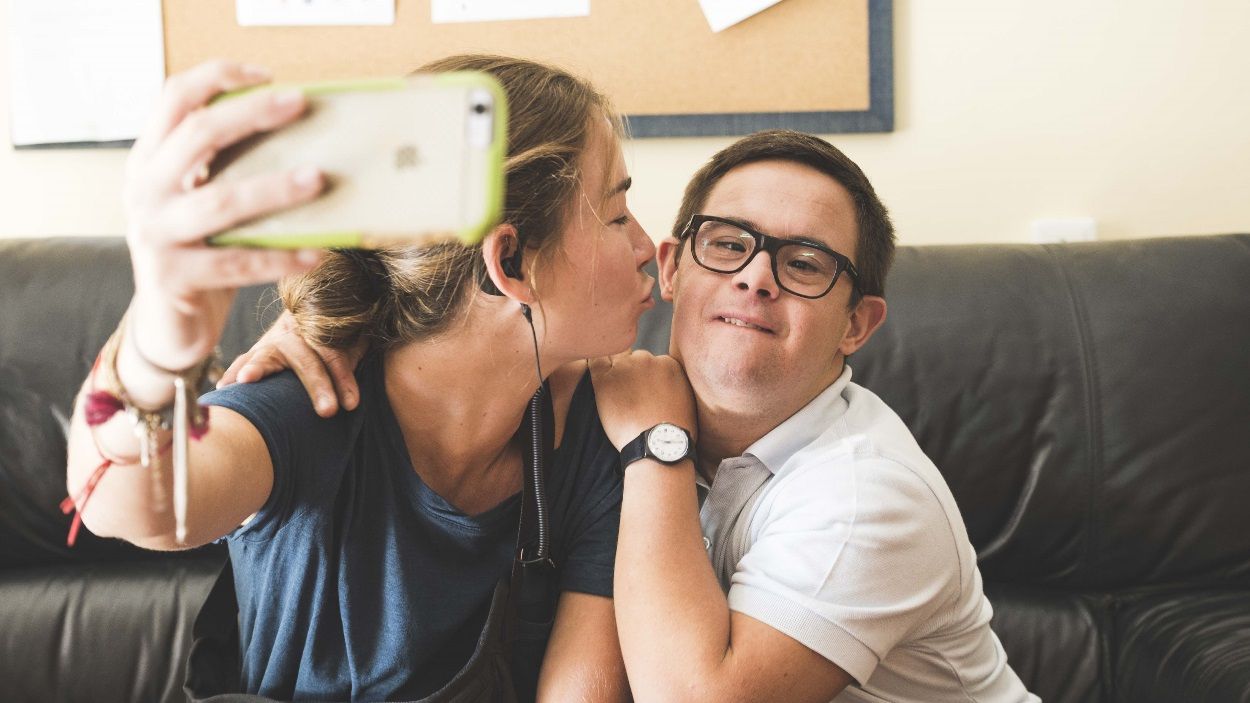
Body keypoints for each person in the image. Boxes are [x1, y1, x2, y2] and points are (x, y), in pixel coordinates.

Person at [250, 130, 1038, 701]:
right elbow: (456, 348)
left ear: (857, 323)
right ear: (671, 267)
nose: (756, 278)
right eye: (728, 244)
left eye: (804, 263)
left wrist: (656, 449)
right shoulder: (596, 395)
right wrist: (323, 331)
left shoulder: (868, 492)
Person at [65, 55, 654, 701]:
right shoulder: (312, 400)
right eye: (618, 214)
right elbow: (124, 500)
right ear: (510, 262)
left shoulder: (599, 436)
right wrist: (159, 337)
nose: (646, 247)